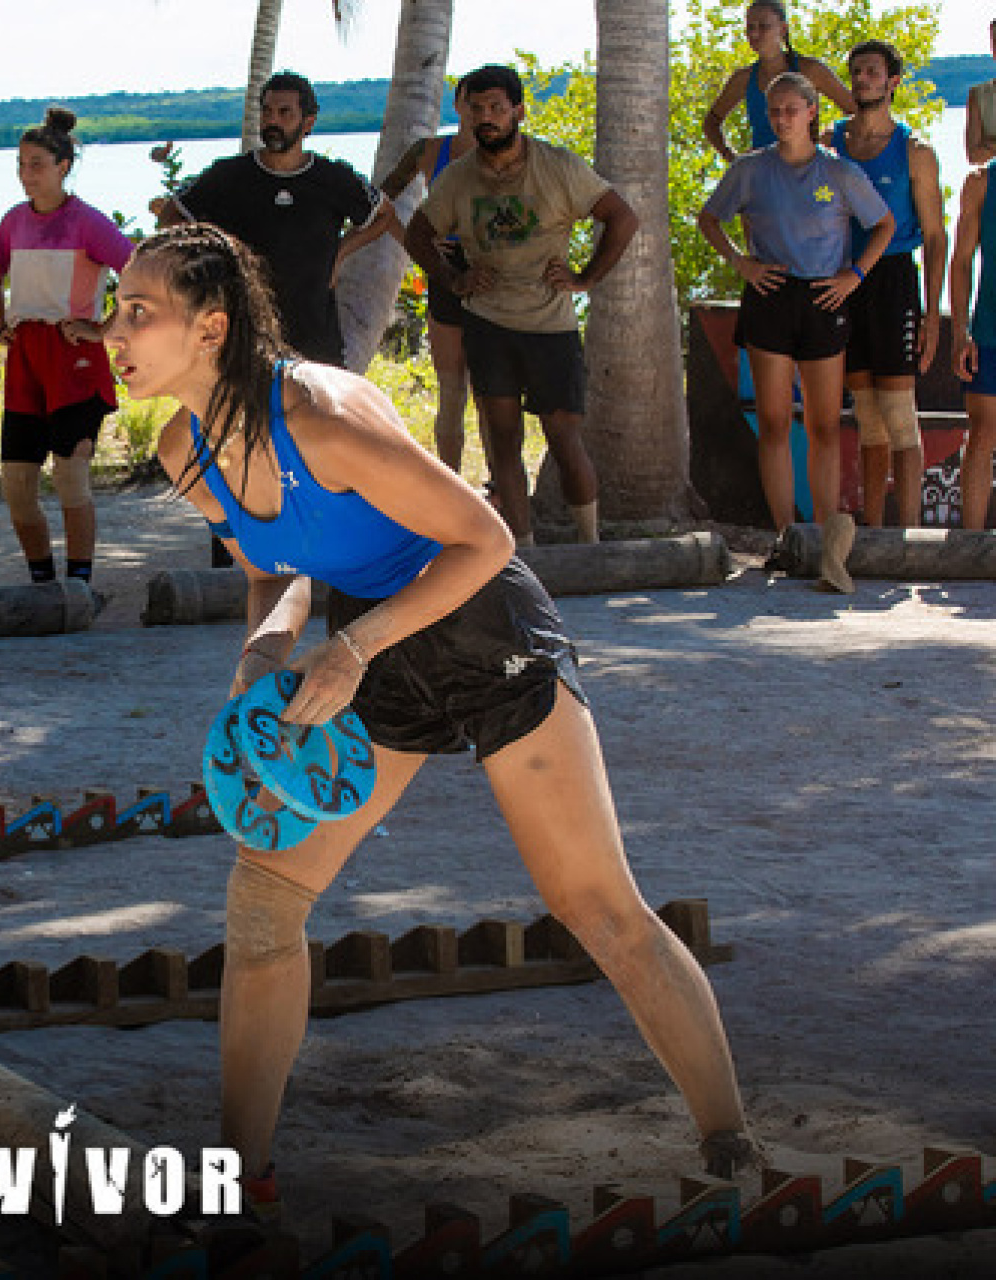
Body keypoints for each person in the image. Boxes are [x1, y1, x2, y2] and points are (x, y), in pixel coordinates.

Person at [104, 221, 759, 1211]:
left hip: (480, 623)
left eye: (137, 311)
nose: (113, 331)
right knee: (263, 903)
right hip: (367, 650)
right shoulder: (181, 451)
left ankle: (730, 1143)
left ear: (211, 327)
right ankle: (245, 1177)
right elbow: (275, 573)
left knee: (597, 909)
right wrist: (261, 658)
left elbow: (485, 538)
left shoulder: (320, 418)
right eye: (115, 310)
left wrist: (352, 648)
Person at [403, 64, 638, 547]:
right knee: (503, 441)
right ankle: (525, 551)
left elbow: (622, 217)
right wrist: (454, 279)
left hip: (551, 326)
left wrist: (586, 278)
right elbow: (417, 234)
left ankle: (590, 544)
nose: (486, 118)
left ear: (518, 112)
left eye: (496, 108)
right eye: (477, 109)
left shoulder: (558, 166)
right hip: (488, 324)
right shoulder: (458, 177)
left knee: (564, 437)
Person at [698, 72, 893, 594]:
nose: (783, 119)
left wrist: (855, 276)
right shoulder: (750, 169)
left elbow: (885, 224)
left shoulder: (839, 171)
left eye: (792, 109)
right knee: (775, 421)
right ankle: (785, 536)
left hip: (824, 297)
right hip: (770, 295)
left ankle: (827, 538)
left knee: (824, 423)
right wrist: (741, 263)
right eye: (775, 110)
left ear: (812, 112)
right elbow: (710, 219)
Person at [0, 107, 134, 586]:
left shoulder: (87, 222)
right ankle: (44, 586)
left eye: (37, 164)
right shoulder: (12, 222)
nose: (26, 174)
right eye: (21, 164)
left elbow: (141, 275)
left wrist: (103, 329)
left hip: (74, 359)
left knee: (71, 479)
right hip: (25, 360)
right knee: (17, 486)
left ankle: (79, 585)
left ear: (63, 166)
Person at [158, 71, 394, 369]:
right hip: (245, 342)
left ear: (308, 123)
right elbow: (171, 217)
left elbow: (384, 214)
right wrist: (208, 262)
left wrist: (340, 253)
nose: (273, 121)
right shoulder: (229, 176)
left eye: (285, 113)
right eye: (267, 112)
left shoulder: (332, 178)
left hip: (316, 344)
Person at [828, 40, 946, 528]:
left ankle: (911, 537)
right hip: (844, 280)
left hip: (895, 279)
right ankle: (873, 533)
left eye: (873, 72)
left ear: (893, 82)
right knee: (867, 416)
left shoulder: (915, 152)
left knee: (899, 415)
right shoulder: (832, 143)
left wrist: (932, 315)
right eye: (856, 72)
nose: (862, 80)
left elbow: (936, 236)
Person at [379, 76, 485, 473]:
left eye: (489, 106)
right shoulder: (428, 151)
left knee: (491, 393)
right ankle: (451, 483)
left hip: (493, 272)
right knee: (451, 390)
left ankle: (499, 487)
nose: (479, 114)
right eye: (472, 104)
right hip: (444, 269)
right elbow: (379, 200)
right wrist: (414, 242)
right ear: (457, 106)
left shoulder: (507, 153)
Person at [703, 0, 854, 164]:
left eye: (763, 26)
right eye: (750, 28)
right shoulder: (743, 78)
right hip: (763, 171)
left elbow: (855, 110)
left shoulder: (810, 70)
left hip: (805, 168)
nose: (755, 34)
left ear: (783, 29)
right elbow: (711, 122)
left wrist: (830, 136)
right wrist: (734, 160)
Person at [949, 161, 996, 530]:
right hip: (989, 331)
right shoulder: (982, 181)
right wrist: (960, 332)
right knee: (981, 433)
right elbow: (961, 261)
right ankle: (972, 542)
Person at [964, 20, 996, 167]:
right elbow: (974, 156)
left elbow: (981, 152)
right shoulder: (978, 95)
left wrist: (989, 144)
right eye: (994, 41)